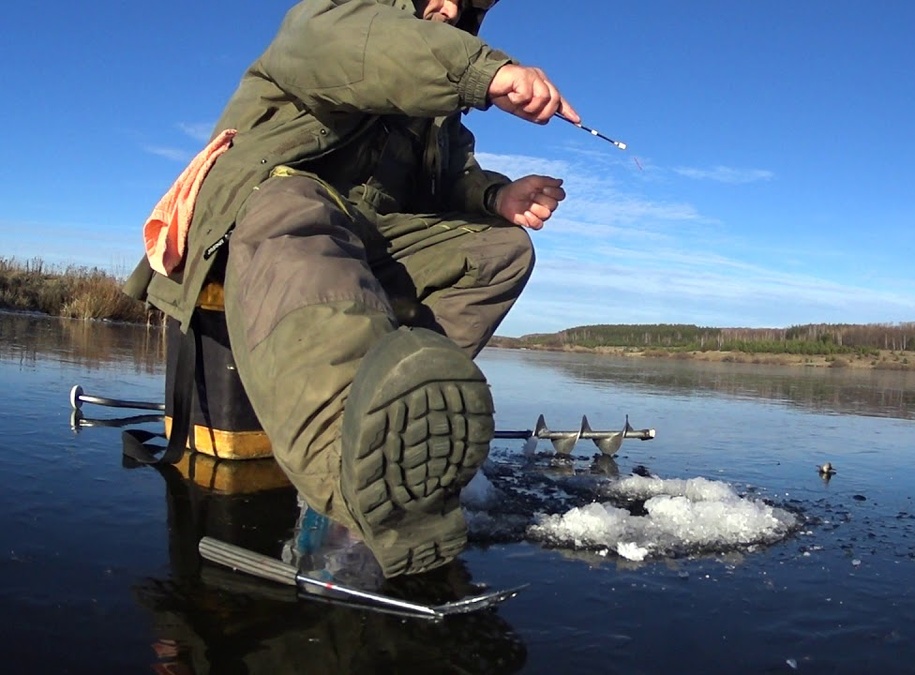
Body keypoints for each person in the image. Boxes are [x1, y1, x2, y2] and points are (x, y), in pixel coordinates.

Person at [124, 0, 579, 576]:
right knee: (298, 202)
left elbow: (452, 181)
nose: (448, 7)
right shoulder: (332, 18)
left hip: (363, 241)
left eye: (464, 3)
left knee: (500, 251)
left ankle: (393, 429)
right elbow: (359, 47)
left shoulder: (439, 120)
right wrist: (483, 71)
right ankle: (348, 476)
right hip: (259, 223)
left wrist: (495, 196)